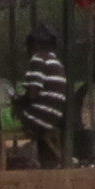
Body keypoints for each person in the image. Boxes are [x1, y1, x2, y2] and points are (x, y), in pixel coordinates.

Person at [15, 31, 72, 166]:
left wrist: (17, 101)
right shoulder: (56, 62)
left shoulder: (38, 59)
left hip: (36, 118)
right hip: (52, 118)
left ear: (36, 45)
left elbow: (32, 95)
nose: (27, 51)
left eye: (28, 46)